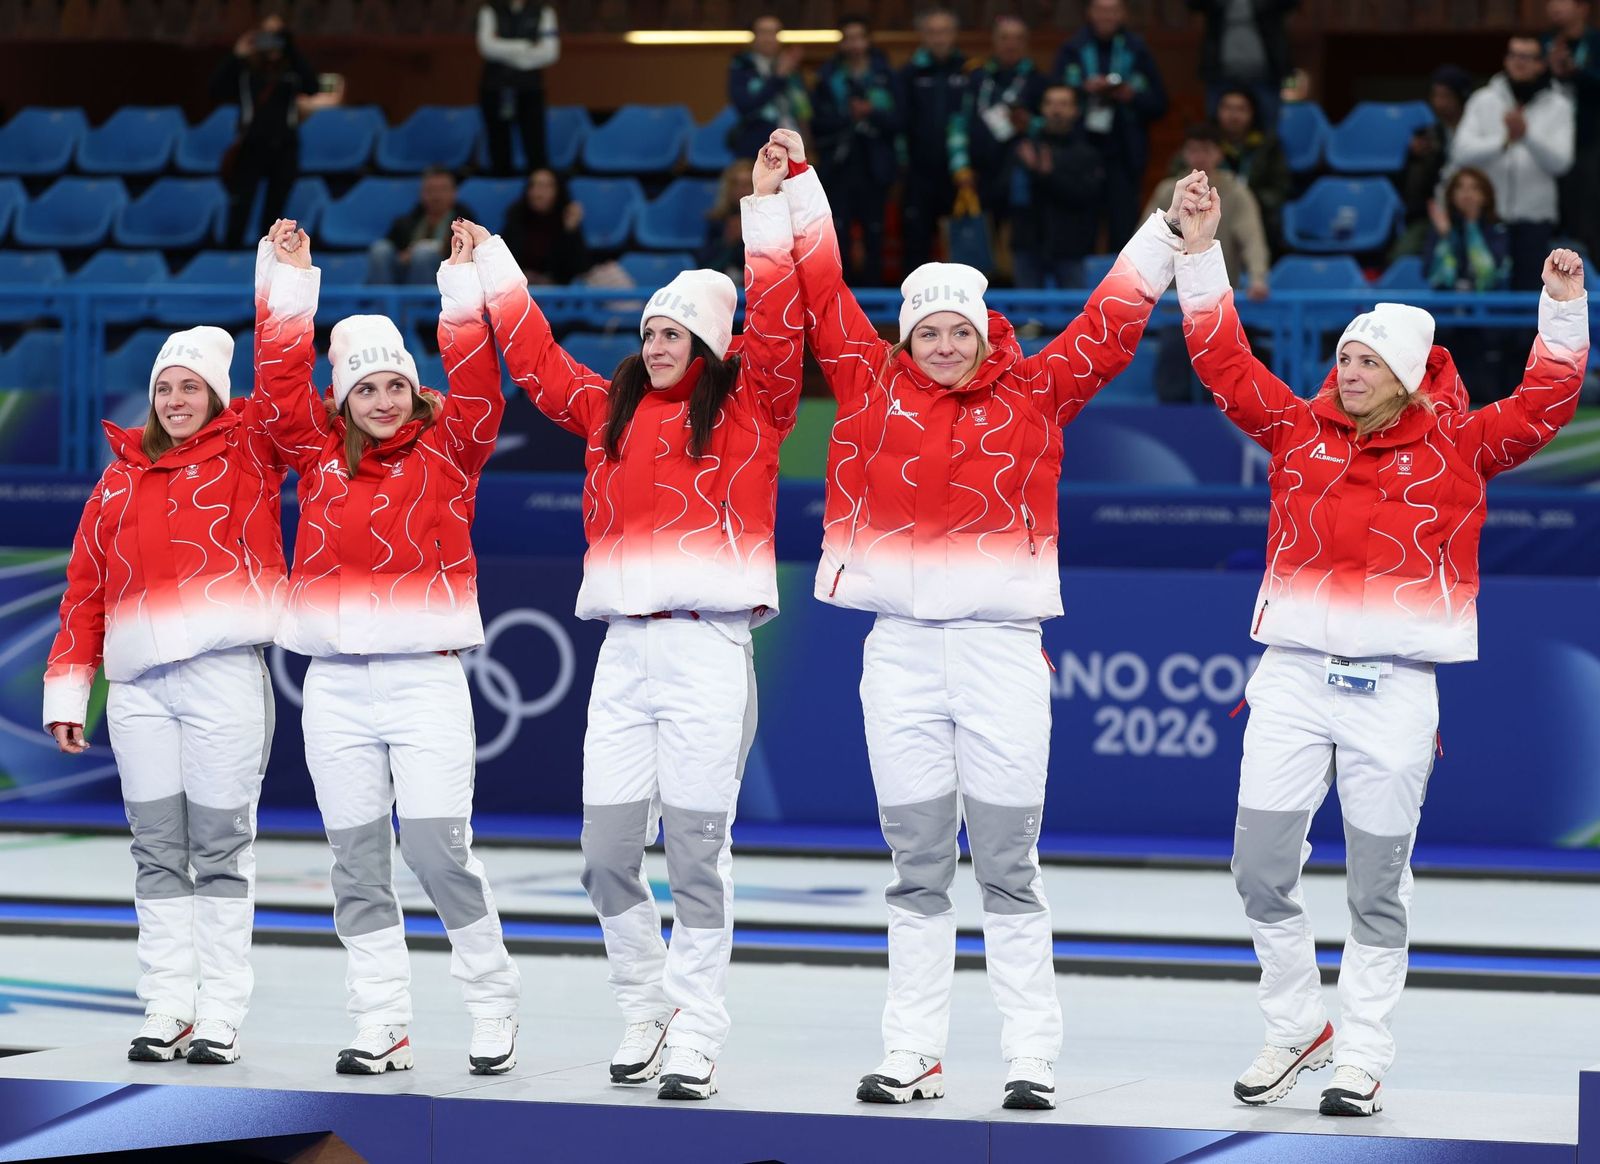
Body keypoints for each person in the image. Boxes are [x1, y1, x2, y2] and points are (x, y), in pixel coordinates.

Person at [769, 127, 1195, 1112]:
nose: (946, 344)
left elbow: (1109, 322)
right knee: (917, 868)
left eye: (960, 328)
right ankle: (910, 1053)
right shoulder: (867, 386)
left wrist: (1165, 232)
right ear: (906, 337)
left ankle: (1029, 1057)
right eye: (929, 331)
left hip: (1002, 658)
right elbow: (823, 293)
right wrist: (797, 184)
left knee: (1007, 865)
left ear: (983, 328)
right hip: (900, 658)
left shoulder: (1037, 393)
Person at [1173, 175, 1587, 1118]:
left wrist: (1562, 314)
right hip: (1290, 678)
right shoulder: (1294, 433)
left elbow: (1544, 405)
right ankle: (1295, 1026)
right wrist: (1199, 249)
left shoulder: (1460, 448)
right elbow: (1224, 360)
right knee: (1259, 867)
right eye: (1343, 357)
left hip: (1396, 689)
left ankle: (1361, 1050)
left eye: (1366, 362)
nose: (1347, 371)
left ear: (1406, 375)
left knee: (1376, 883)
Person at [475, 147, 803, 1101]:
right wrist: (495, 262)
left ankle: (699, 1028)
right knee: (606, 854)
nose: (658, 345)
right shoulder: (607, 412)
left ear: (707, 346)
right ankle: (645, 1005)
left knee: (698, 853)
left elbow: (780, 327)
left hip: (708, 649)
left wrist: (767, 209)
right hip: (624, 654)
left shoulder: (754, 407)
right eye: (652, 331)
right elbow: (534, 361)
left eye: (675, 334)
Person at [254, 217, 521, 1077]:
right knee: (357, 862)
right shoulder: (314, 454)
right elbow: (276, 380)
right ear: (342, 400)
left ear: (413, 390)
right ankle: (383, 1023)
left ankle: (492, 1002)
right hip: (333, 689)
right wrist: (292, 285)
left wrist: (462, 288)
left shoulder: (451, 451)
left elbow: (480, 387)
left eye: (394, 386)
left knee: (440, 851)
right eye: (364, 389)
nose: (382, 400)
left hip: (424, 684)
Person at [44, 326, 287, 1067]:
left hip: (224, 678)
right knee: (156, 851)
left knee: (218, 848)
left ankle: (219, 1011)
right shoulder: (116, 480)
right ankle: (168, 1005)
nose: (175, 399)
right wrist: (69, 691)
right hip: (139, 688)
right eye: (164, 387)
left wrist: (284, 280)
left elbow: (281, 392)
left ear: (216, 393)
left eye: (190, 386)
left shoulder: (248, 453)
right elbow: (84, 591)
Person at [1450, 36, 1575, 290]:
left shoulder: (1558, 105)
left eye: (1526, 57)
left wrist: (1527, 136)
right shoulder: (1483, 100)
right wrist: (1503, 142)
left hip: (1534, 219)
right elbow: (1461, 152)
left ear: (1541, 64)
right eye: (1513, 55)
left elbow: (1561, 162)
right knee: (1485, 289)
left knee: (1530, 294)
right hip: (1488, 217)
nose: (1519, 63)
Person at [1055, 0, 1169, 249]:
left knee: (1124, 229)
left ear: (1122, 14)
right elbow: (1054, 97)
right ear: (1089, 13)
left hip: (1124, 154)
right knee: (1080, 229)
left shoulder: (1137, 49)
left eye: (1112, 10)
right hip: (1080, 153)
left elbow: (1159, 103)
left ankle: (1122, 287)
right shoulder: (1073, 48)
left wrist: (1130, 95)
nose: (1106, 16)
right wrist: (1083, 91)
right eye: (1100, 10)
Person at [212, 12, 319, 247]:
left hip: (284, 148)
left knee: (275, 208)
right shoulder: (246, 72)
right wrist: (237, 55)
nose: (272, 42)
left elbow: (313, 86)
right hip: (251, 146)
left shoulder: (291, 73)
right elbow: (215, 89)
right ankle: (231, 253)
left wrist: (290, 47)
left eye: (277, 36)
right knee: (241, 203)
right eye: (266, 36)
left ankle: (270, 252)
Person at [811, 14, 900, 285]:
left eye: (859, 37)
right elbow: (817, 122)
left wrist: (871, 112)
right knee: (839, 234)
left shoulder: (886, 76)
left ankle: (874, 300)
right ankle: (842, 298)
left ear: (868, 41)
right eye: (848, 38)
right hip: (839, 167)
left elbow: (901, 120)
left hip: (875, 168)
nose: (854, 44)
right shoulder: (828, 78)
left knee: (875, 233)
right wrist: (849, 116)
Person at [949, 15, 1046, 249]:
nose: (1010, 44)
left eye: (1017, 39)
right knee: (979, 250)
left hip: (1022, 180)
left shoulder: (1037, 80)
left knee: (1019, 249)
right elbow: (957, 124)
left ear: (1026, 43)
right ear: (994, 41)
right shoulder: (977, 78)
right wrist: (960, 167)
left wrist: (1030, 124)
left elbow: (1053, 129)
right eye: (1004, 38)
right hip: (978, 176)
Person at [1146, 124, 1270, 301]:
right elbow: (1147, 237)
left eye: (1207, 150)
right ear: (1184, 154)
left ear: (1219, 153)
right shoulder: (1167, 191)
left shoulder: (1236, 193)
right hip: (1170, 298)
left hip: (1219, 298)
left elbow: (1253, 240)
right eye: (1194, 150)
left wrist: (1258, 279)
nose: (1200, 156)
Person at [1009, 84, 1106, 288]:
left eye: (1063, 104)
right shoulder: (1024, 148)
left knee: (1073, 317)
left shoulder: (1087, 154)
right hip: (1028, 246)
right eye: (1050, 103)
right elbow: (1005, 195)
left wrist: (1048, 175)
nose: (1056, 110)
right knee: (1028, 318)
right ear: (1041, 109)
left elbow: (1087, 196)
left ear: (1075, 110)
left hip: (1071, 248)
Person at [896, 7, 969, 271]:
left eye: (945, 32)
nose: (939, 38)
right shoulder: (909, 74)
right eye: (933, 32)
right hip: (919, 173)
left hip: (960, 175)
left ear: (954, 35)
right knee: (916, 245)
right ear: (923, 36)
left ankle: (966, 309)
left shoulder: (970, 71)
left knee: (962, 249)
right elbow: (899, 124)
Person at [1395, 65, 1474, 258]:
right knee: (1402, 254)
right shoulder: (1426, 136)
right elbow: (1413, 189)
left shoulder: (1477, 133)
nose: (1439, 102)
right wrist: (1416, 159)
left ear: (1461, 97)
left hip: (1474, 214)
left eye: (1446, 96)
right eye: (1436, 95)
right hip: (1431, 214)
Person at [1187, 0, 1299, 129]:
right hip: (1220, 74)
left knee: (1269, 130)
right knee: (1216, 130)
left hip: (1266, 74)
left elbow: (1291, 4)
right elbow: (1194, 4)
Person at [476, 1, 559, 175]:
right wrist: (525, 46)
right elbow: (487, 47)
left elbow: (550, 53)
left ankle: (538, 193)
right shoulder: (490, 10)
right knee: (499, 146)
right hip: (497, 88)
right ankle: (502, 191)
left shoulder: (544, 11)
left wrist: (506, 51)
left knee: (535, 146)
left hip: (530, 89)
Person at [1545, 0, 1600, 257]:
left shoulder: (1596, 43)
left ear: (1583, 7)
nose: (1554, 6)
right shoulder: (1545, 43)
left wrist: (1574, 72)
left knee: (1588, 215)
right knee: (1556, 214)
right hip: (1549, 140)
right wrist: (1549, 70)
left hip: (1589, 140)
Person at [367, 168, 475, 286]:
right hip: (406, 271)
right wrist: (404, 255)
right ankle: (383, 301)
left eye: (442, 190)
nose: (436, 196)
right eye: (430, 190)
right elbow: (394, 247)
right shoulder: (408, 220)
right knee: (380, 249)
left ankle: (420, 304)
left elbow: (470, 254)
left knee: (423, 253)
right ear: (422, 194)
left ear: (454, 193)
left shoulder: (465, 222)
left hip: (446, 276)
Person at [1213, 85, 1290, 252]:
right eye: (1227, 108)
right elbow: (1178, 177)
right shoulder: (1204, 143)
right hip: (1210, 215)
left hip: (1257, 215)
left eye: (1241, 109)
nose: (1233, 115)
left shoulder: (1267, 146)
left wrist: (1250, 199)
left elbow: (1280, 189)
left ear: (1252, 113)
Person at [728, 14, 812, 160]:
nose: (768, 38)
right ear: (753, 36)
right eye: (763, 32)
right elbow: (744, 106)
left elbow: (802, 108)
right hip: (755, 141)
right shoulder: (741, 66)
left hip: (790, 141)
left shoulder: (789, 66)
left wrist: (808, 139)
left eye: (774, 32)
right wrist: (778, 78)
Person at [501, 167, 592, 284]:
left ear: (558, 190)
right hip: (520, 287)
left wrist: (570, 232)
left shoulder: (567, 220)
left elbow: (580, 268)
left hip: (557, 292)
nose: (538, 193)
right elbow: (503, 261)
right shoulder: (516, 217)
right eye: (533, 185)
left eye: (546, 186)